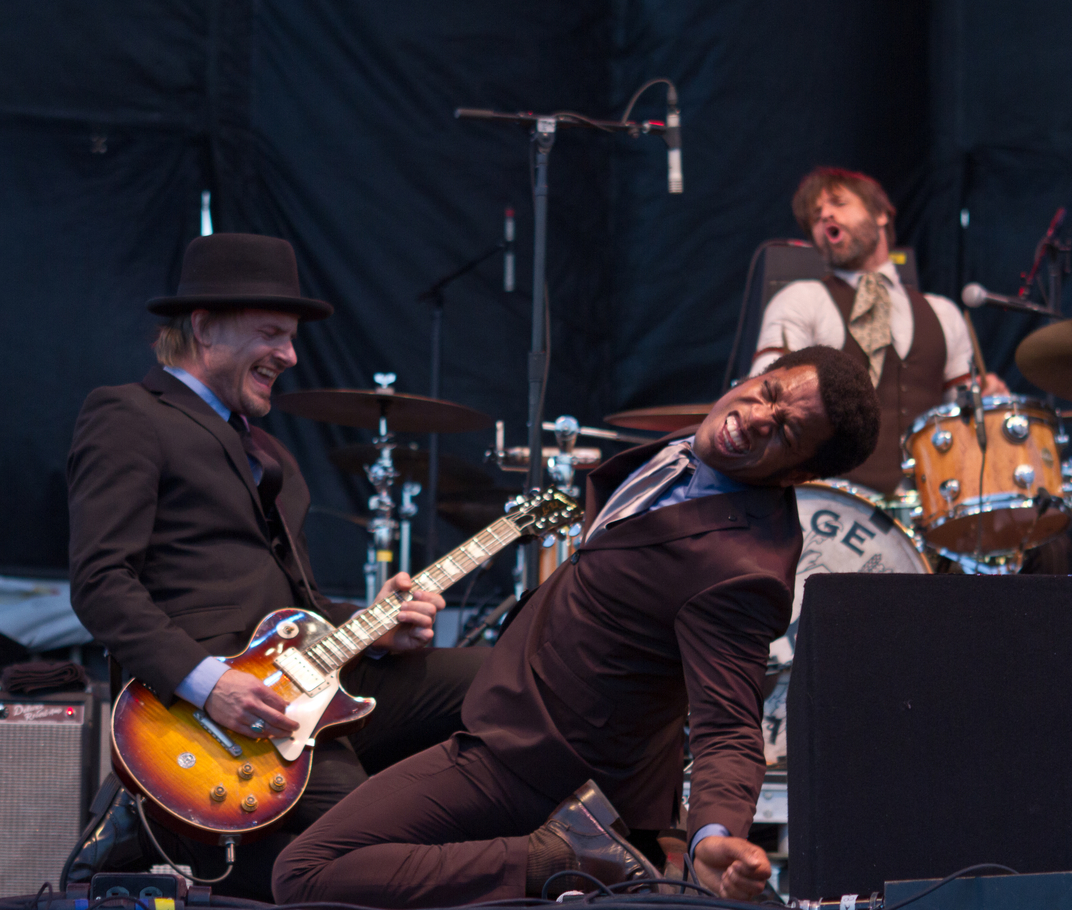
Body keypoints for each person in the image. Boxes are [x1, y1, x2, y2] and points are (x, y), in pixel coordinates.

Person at [271, 346, 881, 907]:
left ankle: (557, 860)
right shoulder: (703, 446)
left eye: (786, 431)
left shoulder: (742, 573)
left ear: (796, 475)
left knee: (304, 872)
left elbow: (730, 726)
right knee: (349, 709)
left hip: (540, 762)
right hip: (525, 694)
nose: (757, 418)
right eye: (769, 392)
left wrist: (712, 835)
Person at [67, 233, 486, 899]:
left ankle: (554, 840)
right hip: (210, 715)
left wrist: (375, 628)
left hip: (306, 680)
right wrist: (210, 685)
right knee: (370, 850)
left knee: (502, 679)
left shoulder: (273, 457)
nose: (289, 356)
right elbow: (100, 583)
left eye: (291, 339)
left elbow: (298, 606)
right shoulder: (130, 415)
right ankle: (154, 827)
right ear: (205, 327)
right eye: (271, 334)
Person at [750, 166, 1007, 495]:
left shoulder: (943, 313)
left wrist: (985, 400)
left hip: (926, 504)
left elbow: (961, 417)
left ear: (881, 214)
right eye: (815, 216)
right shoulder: (799, 301)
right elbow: (761, 400)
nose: (825, 214)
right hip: (830, 504)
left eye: (838, 203)